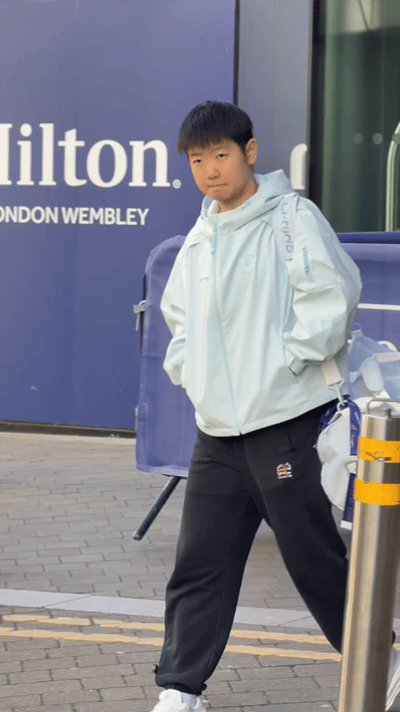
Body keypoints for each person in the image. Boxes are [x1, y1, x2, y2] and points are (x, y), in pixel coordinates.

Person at [151, 100, 400, 712]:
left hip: (284, 426)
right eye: (197, 160)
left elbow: (334, 295)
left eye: (221, 155)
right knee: (199, 563)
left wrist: (287, 363)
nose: (210, 170)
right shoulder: (201, 236)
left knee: (314, 561)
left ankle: (383, 662)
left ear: (251, 152)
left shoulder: (292, 218)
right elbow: (178, 318)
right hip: (217, 434)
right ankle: (181, 689)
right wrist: (190, 370)